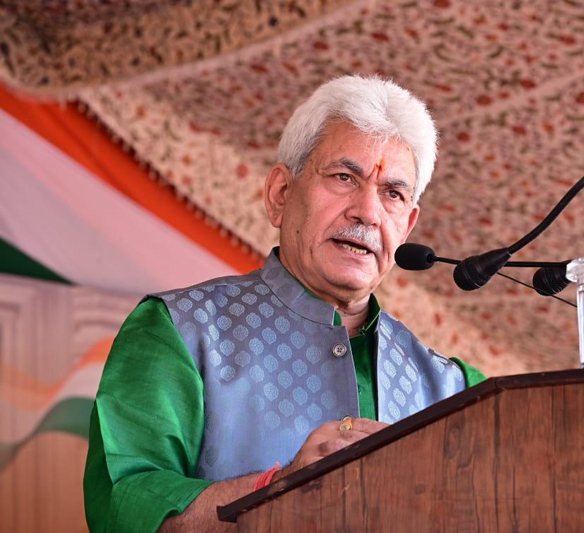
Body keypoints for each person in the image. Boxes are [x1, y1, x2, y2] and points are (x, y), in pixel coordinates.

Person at [83, 75, 486, 533]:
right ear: (280, 194)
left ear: (408, 225)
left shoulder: (455, 390)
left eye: (392, 194)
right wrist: (280, 490)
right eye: (344, 177)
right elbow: (125, 507)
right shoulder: (180, 331)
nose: (368, 212)